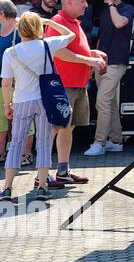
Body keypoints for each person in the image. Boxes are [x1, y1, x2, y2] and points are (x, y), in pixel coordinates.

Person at [1, 13, 104, 200]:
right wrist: (47, 22)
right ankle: (42, 187)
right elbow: (70, 35)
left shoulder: (11, 52)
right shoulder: (48, 45)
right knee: (43, 143)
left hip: (22, 101)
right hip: (44, 101)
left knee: (16, 143)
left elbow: (6, 83)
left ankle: (7, 188)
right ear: (37, 27)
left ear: (19, 28)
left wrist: (7, 104)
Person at [48, 0, 105, 186]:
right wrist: (89, 59)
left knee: (67, 128)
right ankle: (42, 177)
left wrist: (92, 52)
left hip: (77, 85)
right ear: (69, 3)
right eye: (83, 0)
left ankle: (62, 171)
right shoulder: (58, 22)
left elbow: (74, 50)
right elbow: (59, 52)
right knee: (54, 128)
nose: (86, 5)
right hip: (63, 85)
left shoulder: (74, 23)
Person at [84, 0, 134, 156]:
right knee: (110, 102)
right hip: (102, 61)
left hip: (116, 62)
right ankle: (116, 140)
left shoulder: (126, 9)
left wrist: (112, 5)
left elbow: (120, 23)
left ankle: (99, 143)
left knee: (102, 101)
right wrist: (93, 59)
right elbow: (101, 37)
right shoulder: (105, 11)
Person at [0, 0, 17, 164]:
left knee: (19, 121)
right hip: (2, 82)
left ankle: (23, 154)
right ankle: (2, 154)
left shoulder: (21, 30)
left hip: (17, 83)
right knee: (1, 121)